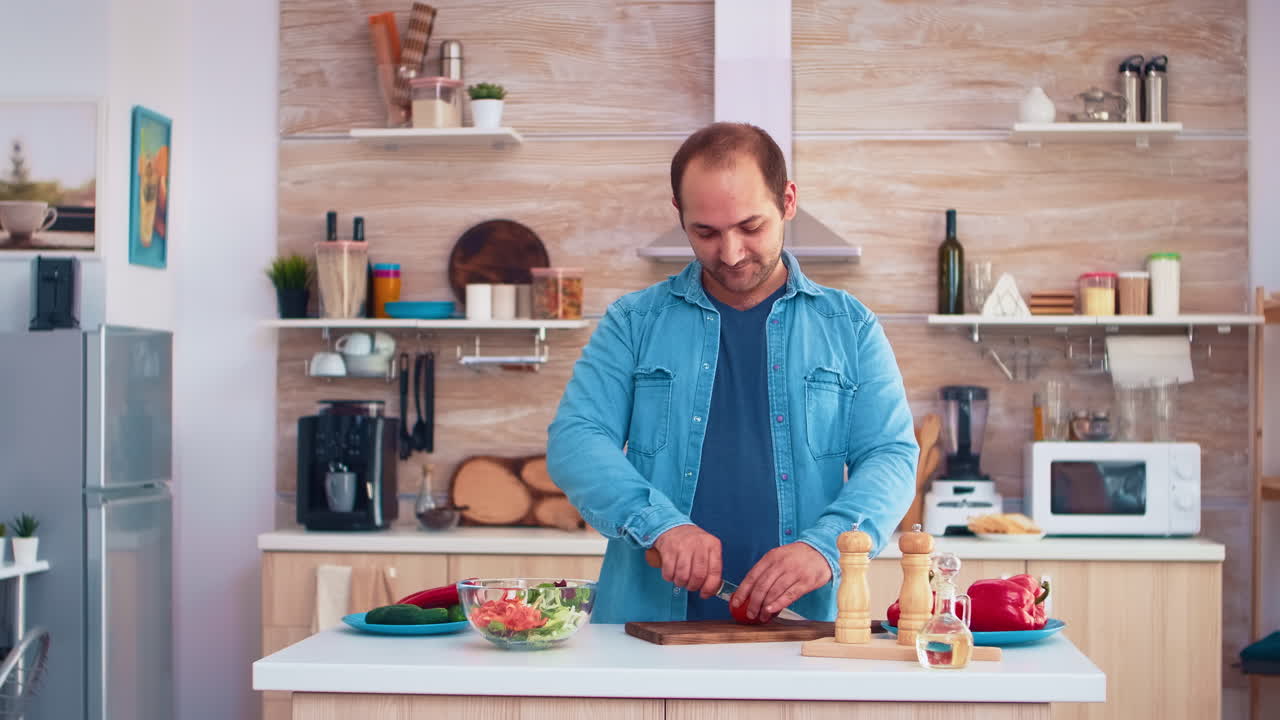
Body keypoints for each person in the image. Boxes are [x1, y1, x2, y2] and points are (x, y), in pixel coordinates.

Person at [547, 122, 917, 624]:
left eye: (751, 226)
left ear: (787, 201)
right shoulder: (633, 322)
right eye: (706, 232)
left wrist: (827, 547)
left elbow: (890, 455)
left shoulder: (850, 326)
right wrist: (659, 525)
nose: (731, 253)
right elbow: (577, 437)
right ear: (679, 216)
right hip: (647, 626)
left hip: (802, 632)